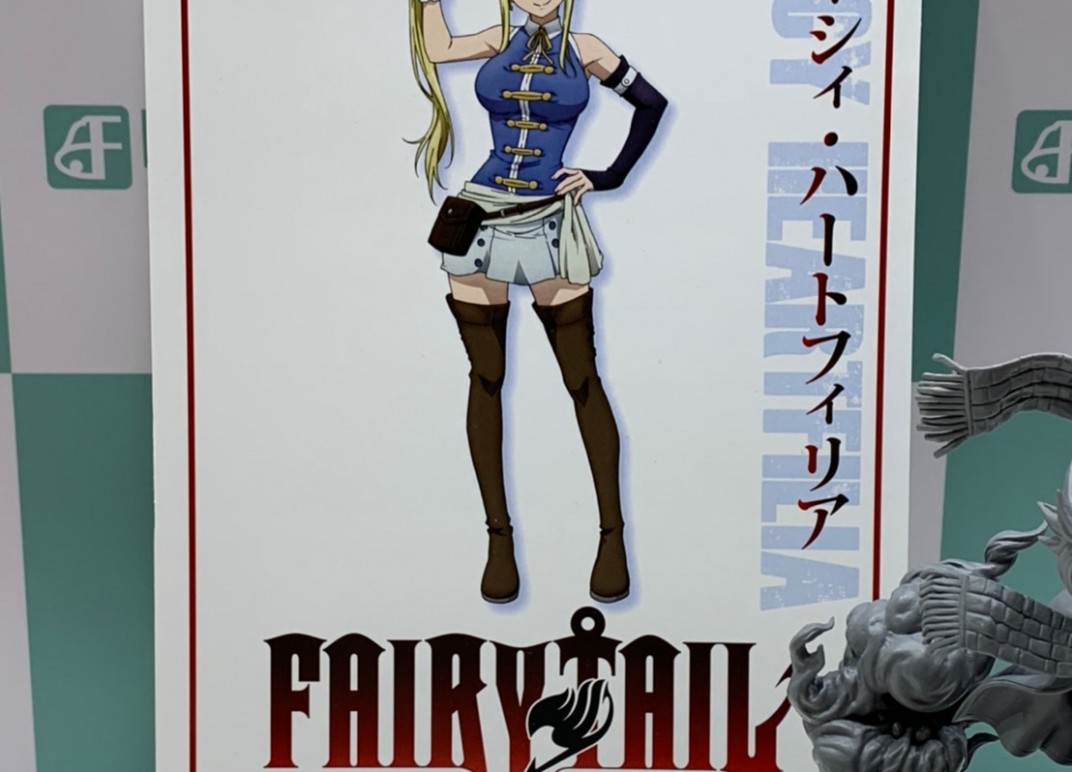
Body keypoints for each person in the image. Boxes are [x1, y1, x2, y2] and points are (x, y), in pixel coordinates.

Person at [409, 0, 668, 604]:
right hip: (480, 217)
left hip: (551, 218)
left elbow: (651, 104)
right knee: (485, 378)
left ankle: (612, 537)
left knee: (581, 377)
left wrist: (607, 176)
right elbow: (438, 49)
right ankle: (499, 540)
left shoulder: (586, 50)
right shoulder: (497, 37)